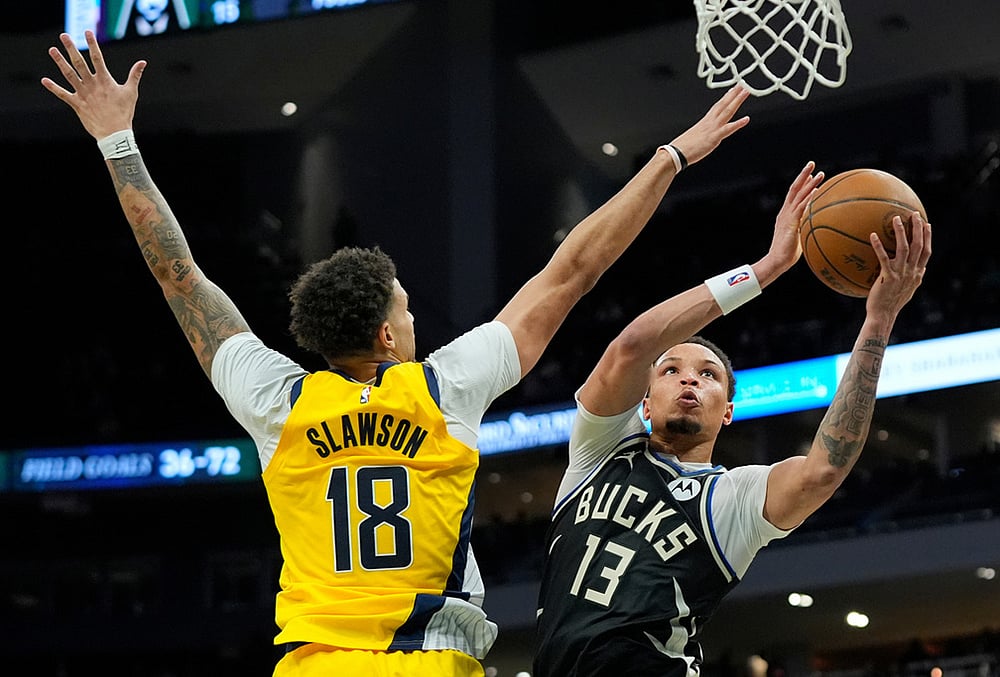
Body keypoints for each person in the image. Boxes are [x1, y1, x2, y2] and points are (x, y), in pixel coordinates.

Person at [41, 30, 756, 677]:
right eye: (407, 309)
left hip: (314, 666)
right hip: (428, 664)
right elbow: (573, 269)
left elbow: (179, 274)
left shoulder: (274, 399)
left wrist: (116, 141)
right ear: (387, 336)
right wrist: (673, 156)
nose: (415, 319)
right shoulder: (447, 388)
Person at [532, 169, 932, 673]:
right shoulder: (599, 452)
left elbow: (823, 468)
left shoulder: (733, 499)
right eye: (671, 370)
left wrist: (879, 320)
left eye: (708, 374)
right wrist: (765, 269)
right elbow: (631, 347)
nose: (689, 380)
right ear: (645, 404)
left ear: (727, 413)